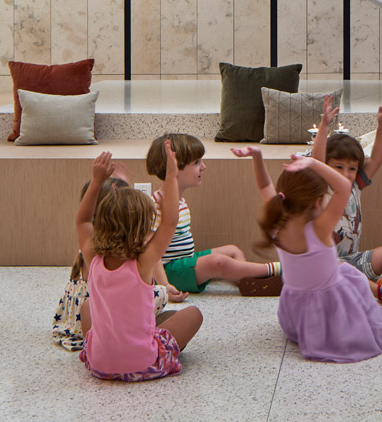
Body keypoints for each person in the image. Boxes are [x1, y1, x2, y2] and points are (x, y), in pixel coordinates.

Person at [256, 155, 382, 362]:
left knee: (345, 270)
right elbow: (344, 188)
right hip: (327, 315)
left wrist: (256, 156)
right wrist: (314, 163)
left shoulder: (276, 224)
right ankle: (378, 325)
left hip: (293, 316)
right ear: (317, 201)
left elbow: (264, 185)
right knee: (353, 280)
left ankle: (375, 321)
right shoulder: (320, 228)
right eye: (326, 195)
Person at [75, 149, 202, 381]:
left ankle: (108, 349)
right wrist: (171, 177)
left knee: (86, 306)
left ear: (100, 221)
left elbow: (82, 219)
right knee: (194, 314)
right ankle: (150, 340)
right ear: (143, 227)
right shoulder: (144, 261)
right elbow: (171, 222)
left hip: (99, 366)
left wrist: (96, 180)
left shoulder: (92, 256)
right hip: (144, 364)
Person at [308, 97, 382, 301]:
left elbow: (376, 158)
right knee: (336, 266)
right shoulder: (322, 187)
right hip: (328, 267)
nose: (346, 174)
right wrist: (324, 126)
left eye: (352, 168)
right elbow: (315, 161)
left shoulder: (355, 186)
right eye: (338, 167)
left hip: (354, 262)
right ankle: (381, 292)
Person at [146, 133, 281, 295]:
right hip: (169, 272)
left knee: (232, 250)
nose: (203, 166)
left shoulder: (180, 200)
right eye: (196, 162)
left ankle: (248, 283)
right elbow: (151, 253)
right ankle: (275, 269)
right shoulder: (156, 205)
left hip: (183, 262)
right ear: (174, 169)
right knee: (217, 262)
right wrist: (164, 287)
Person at [54, 166, 170, 351]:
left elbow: (83, 219)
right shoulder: (139, 257)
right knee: (160, 293)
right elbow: (165, 224)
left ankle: (92, 345)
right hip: (104, 315)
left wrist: (97, 181)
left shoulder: (91, 246)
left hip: (78, 318)